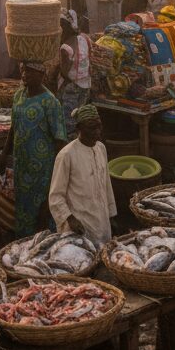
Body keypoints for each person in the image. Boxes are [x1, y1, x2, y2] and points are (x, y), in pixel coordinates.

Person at [1, 62, 67, 236]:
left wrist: (58, 172)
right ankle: (24, 243)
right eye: (23, 70)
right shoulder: (19, 96)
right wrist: (4, 155)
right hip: (22, 164)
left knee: (43, 210)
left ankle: (45, 244)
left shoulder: (50, 102)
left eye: (30, 71)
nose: (24, 75)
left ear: (41, 75)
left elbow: (60, 139)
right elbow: (14, 127)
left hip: (43, 168)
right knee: (23, 206)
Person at [47, 105, 114, 245]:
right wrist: (69, 218)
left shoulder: (101, 148)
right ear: (79, 129)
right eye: (91, 128)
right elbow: (55, 196)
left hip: (101, 221)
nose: (97, 132)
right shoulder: (66, 155)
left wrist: (111, 214)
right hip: (79, 225)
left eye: (99, 127)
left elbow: (106, 183)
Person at [56, 16, 92, 127]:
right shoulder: (84, 38)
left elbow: (64, 71)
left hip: (71, 87)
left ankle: (70, 141)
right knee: (80, 117)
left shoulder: (65, 47)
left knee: (69, 121)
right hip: (86, 84)